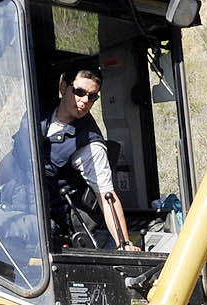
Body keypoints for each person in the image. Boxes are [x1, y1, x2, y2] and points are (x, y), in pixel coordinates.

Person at [41, 68, 139, 251]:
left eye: (92, 96)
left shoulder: (90, 144)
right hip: (15, 201)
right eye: (79, 92)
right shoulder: (39, 115)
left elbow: (106, 196)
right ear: (64, 88)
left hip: (45, 222)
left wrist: (124, 244)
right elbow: (12, 161)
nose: (85, 101)